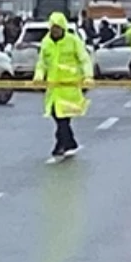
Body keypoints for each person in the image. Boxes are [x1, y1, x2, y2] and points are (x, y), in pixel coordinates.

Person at [33, 11, 92, 161]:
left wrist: (88, 76)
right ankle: (67, 143)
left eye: (58, 28)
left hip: (69, 87)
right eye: (53, 28)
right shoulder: (46, 42)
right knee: (57, 115)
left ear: (63, 27)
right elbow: (42, 63)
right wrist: (38, 77)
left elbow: (84, 59)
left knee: (63, 117)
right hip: (53, 87)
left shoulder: (73, 41)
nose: (55, 31)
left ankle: (63, 144)